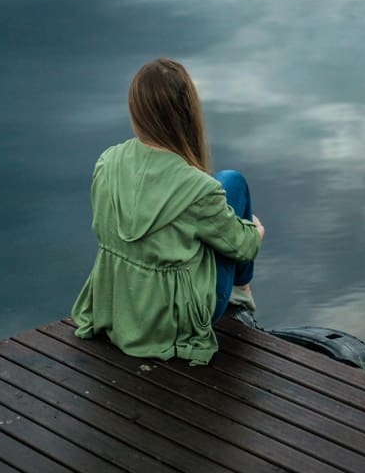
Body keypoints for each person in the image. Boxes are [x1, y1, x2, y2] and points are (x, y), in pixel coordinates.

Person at [70, 58, 265, 366]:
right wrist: (255, 230)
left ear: (136, 111)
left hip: (120, 309)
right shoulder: (199, 189)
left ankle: (238, 289)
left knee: (221, 190)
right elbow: (246, 247)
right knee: (232, 182)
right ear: (187, 113)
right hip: (173, 324)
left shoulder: (106, 163)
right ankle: (241, 291)